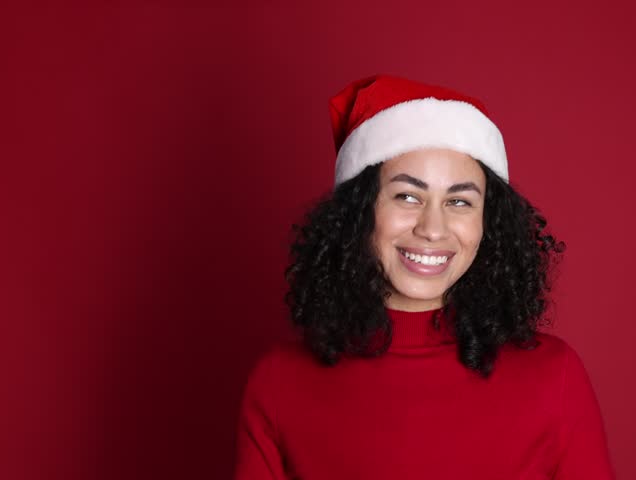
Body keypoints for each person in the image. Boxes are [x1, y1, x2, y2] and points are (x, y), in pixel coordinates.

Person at [232, 74, 616, 479]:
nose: (433, 229)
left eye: (459, 201)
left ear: (489, 222)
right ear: (359, 211)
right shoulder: (279, 384)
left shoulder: (555, 379)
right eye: (408, 196)